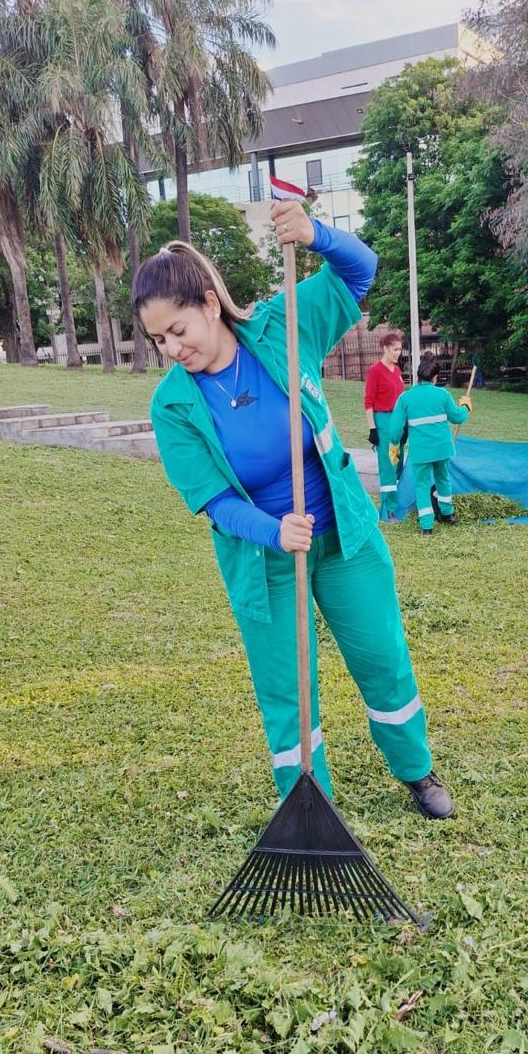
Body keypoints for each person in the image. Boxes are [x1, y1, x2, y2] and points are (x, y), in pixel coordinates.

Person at [132, 201, 455, 819]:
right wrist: (274, 531)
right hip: (266, 561)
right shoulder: (172, 406)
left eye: (178, 330)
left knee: (383, 658)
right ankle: (311, 809)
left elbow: (359, 271)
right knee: (288, 691)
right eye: (158, 340)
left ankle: (416, 770)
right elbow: (214, 501)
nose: (172, 348)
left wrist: (316, 235)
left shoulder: (282, 327)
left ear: (208, 303)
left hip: (345, 536)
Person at [387, 353, 472, 536]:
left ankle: (427, 526)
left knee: (421, 486)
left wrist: (394, 445)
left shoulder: (405, 398)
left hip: (421, 452)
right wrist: (465, 406)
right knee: (443, 479)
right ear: (435, 377)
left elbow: (395, 429)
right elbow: (457, 417)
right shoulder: (443, 394)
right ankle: (447, 514)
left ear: (418, 376)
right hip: (442, 449)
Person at [364, 331, 406, 517]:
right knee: (389, 464)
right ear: (385, 348)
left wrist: (404, 425)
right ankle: (389, 510)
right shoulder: (375, 371)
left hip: (398, 420)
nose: (398, 353)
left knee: (398, 462)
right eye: (395, 349)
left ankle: (396, 502)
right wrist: (372, 429)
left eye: (400, 349)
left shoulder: (397, 370)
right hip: (383, 420)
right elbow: (368, 402)